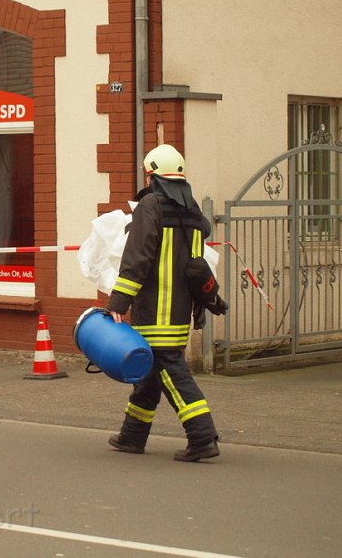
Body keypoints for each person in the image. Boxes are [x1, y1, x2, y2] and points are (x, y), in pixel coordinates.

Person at [106, 144, 222, 462]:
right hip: (179, 309)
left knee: (169, 370)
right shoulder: (193, 211)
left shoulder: (150, 205)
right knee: (150, 372)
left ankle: (202, 437)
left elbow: (137, 258)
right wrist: (200, 305)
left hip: (154, 309)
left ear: (151, 174)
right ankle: (133, 435)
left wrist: (119, 301)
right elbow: (197, 264)